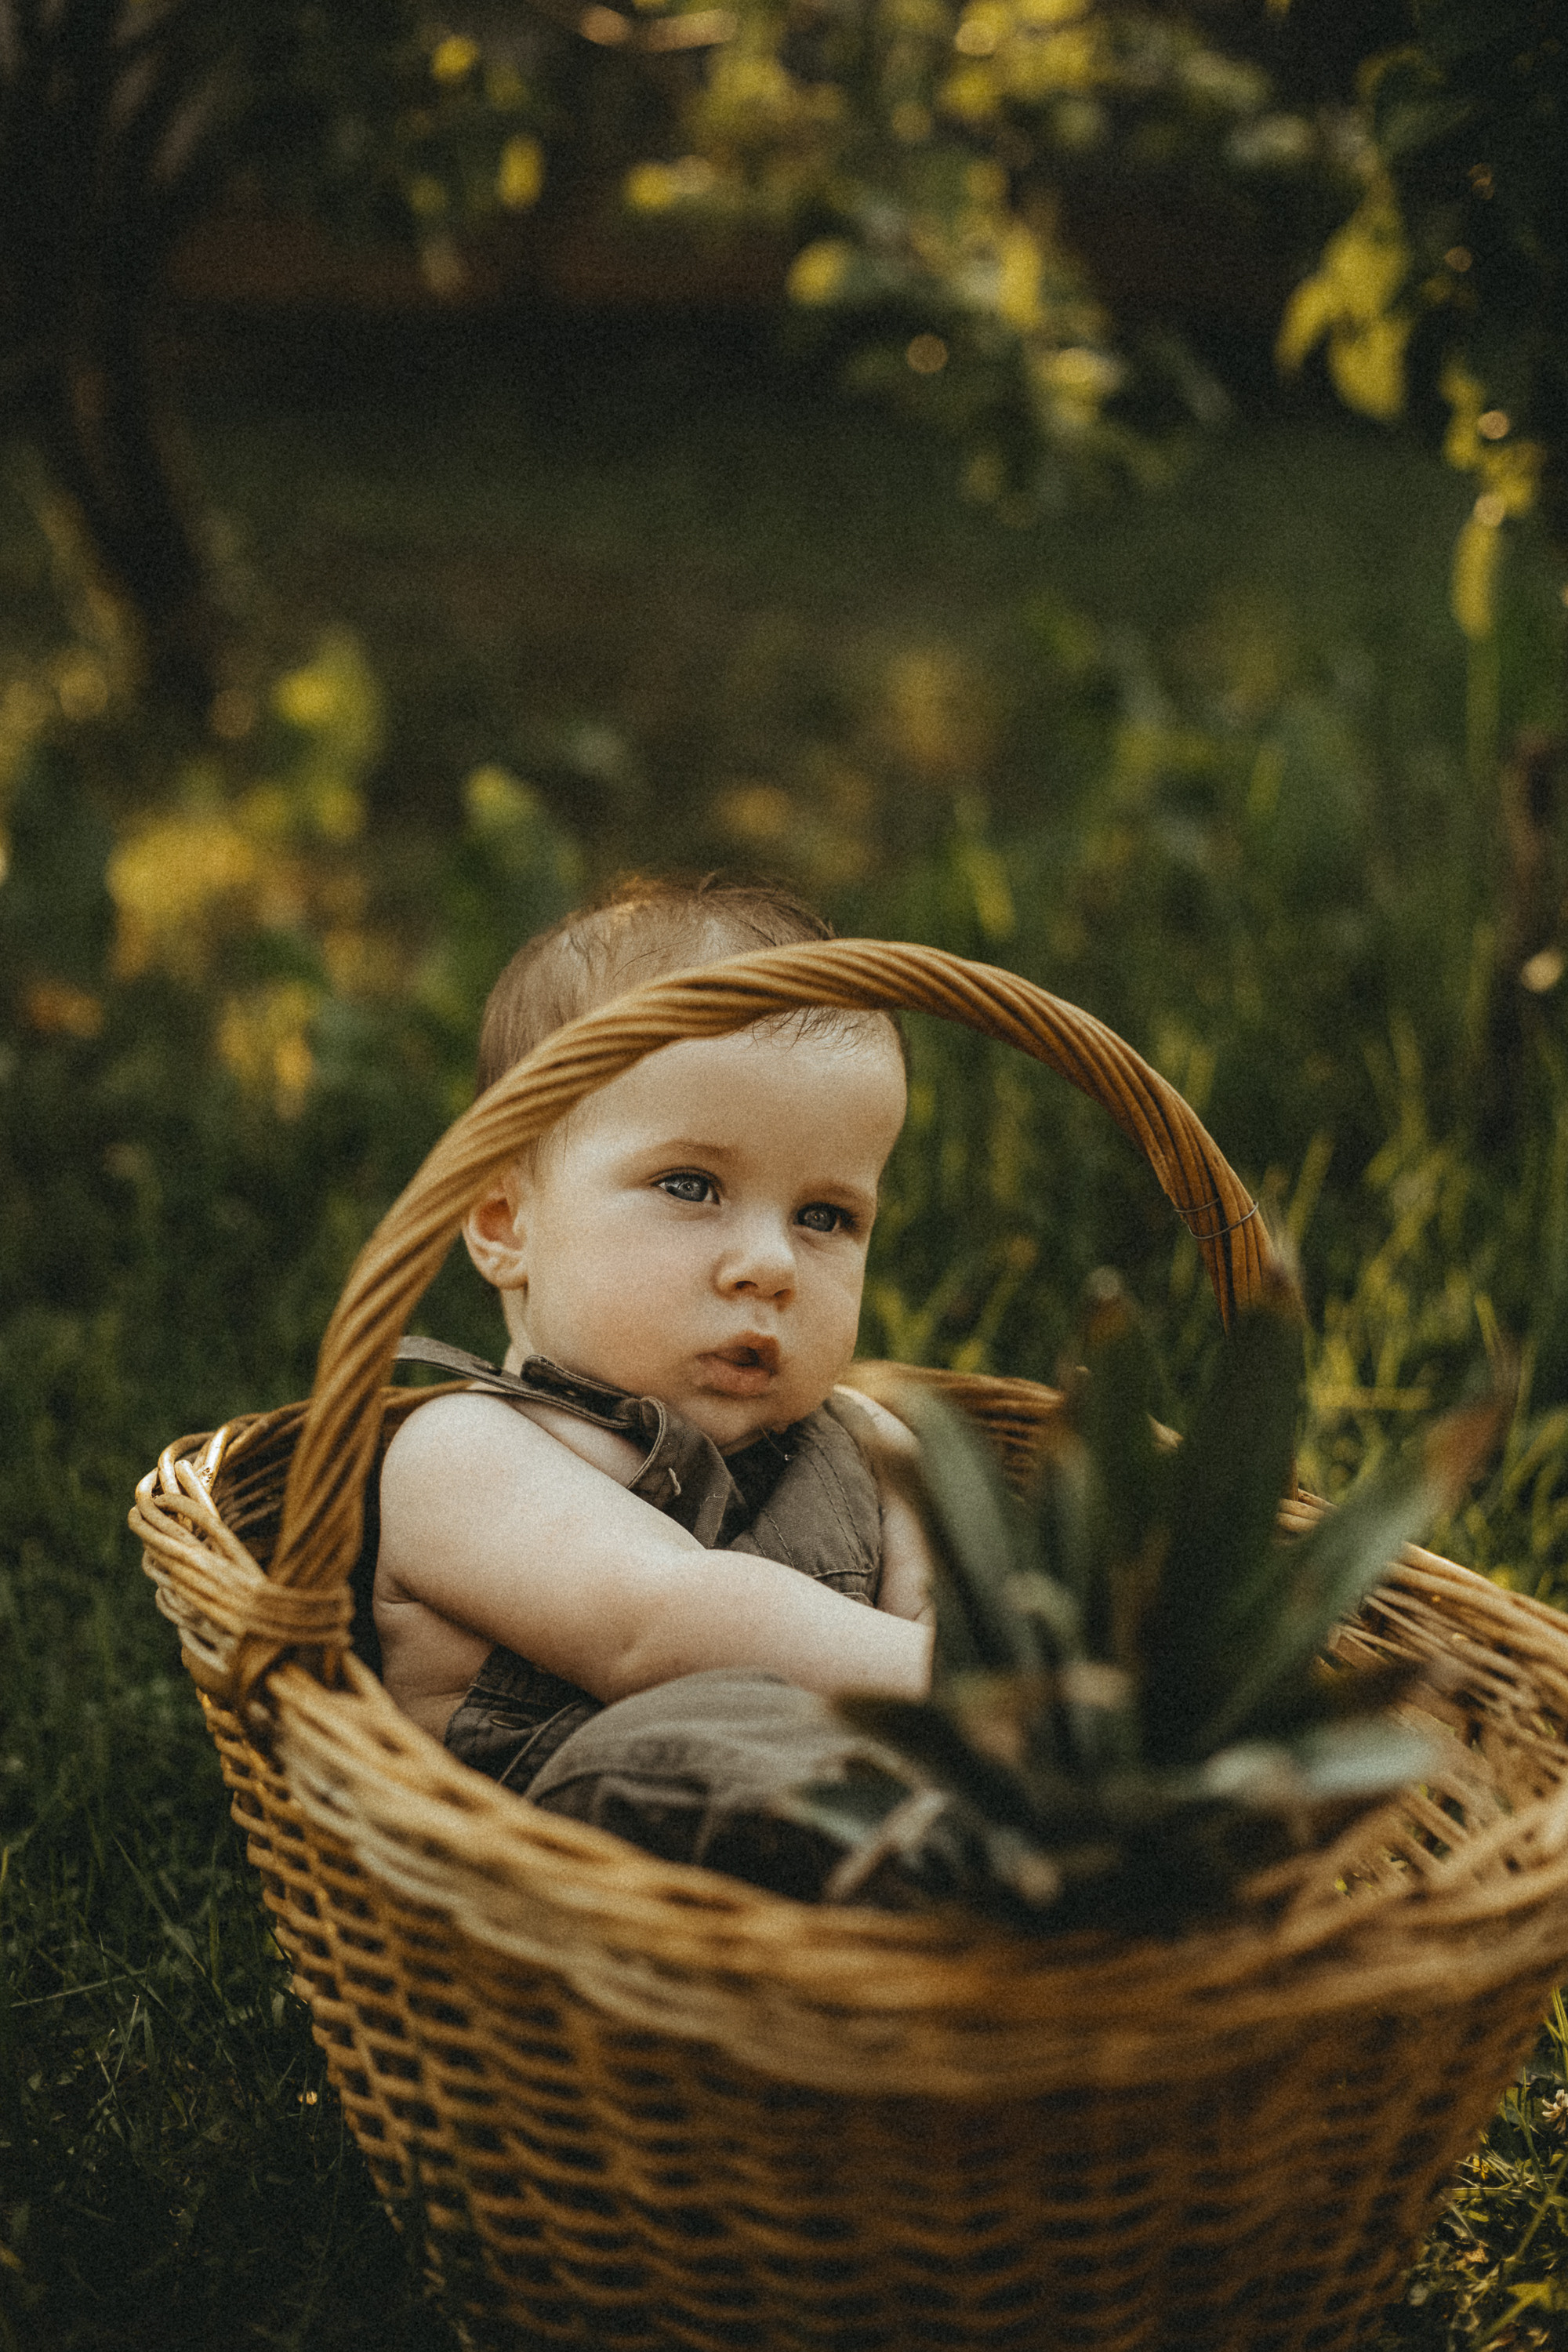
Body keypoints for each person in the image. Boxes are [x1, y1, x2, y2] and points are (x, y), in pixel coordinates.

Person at [372, 875, 966, 1904]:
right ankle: (976, 1870)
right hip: (579, 1865)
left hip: (875, 1793)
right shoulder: (464, 1448)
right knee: (691, 1741)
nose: (771, 1264)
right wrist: (971, 1706)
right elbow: (658, 1623)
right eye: (690, 1187)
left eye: (826, 1216)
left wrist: (1028, 1704)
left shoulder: (872, 1442)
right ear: (507, 1225)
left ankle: (1028, 1879)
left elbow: (954, 1620)